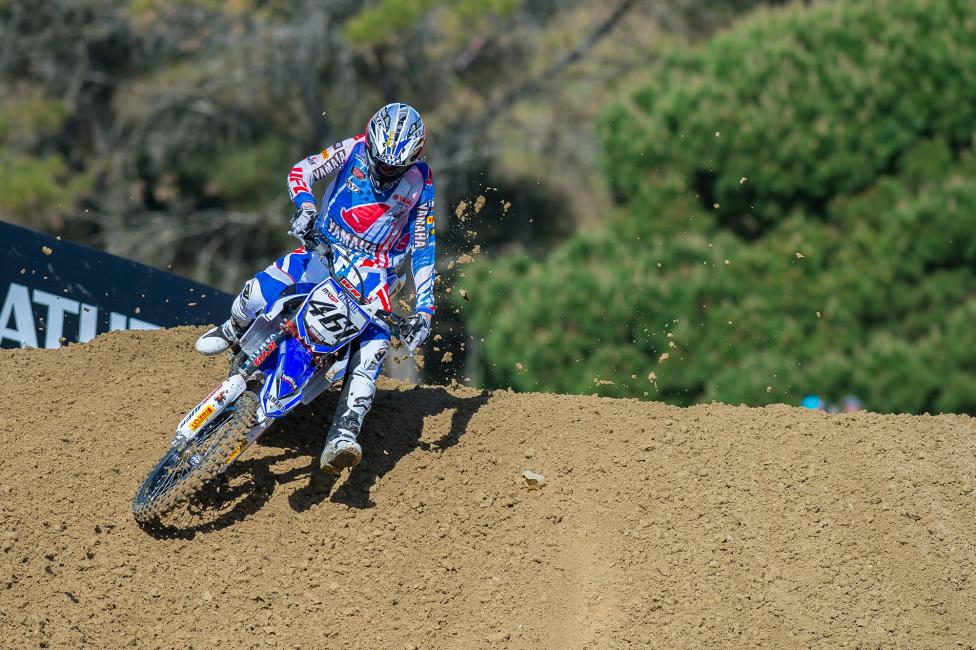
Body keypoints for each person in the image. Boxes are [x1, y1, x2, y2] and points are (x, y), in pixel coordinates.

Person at [194, 103, 436, 473]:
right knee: (254, 294)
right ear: (369, 144)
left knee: (373, 349)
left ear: (413, 157)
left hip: (376, 276)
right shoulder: (352, 149)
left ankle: (343, 434)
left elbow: (423, 244)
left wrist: (424, 309)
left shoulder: (421, 181)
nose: (385, 171)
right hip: (322, 249)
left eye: (395, 167)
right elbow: (302, 170)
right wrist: (306, 207)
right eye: (380, 161)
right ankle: (233, 330)